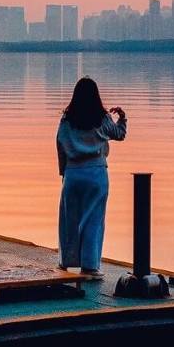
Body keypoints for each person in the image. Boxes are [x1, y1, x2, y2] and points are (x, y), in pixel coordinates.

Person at [56, 77, 127, 277]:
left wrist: (64, 172)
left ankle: (66, 261)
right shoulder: (101, 118)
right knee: (93, 219)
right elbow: (119, 134)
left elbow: (60, 145)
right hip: (96, 173)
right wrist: (122, 117)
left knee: (69, 219)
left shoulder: (67, 120)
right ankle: (90, 266)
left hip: (73, 174)